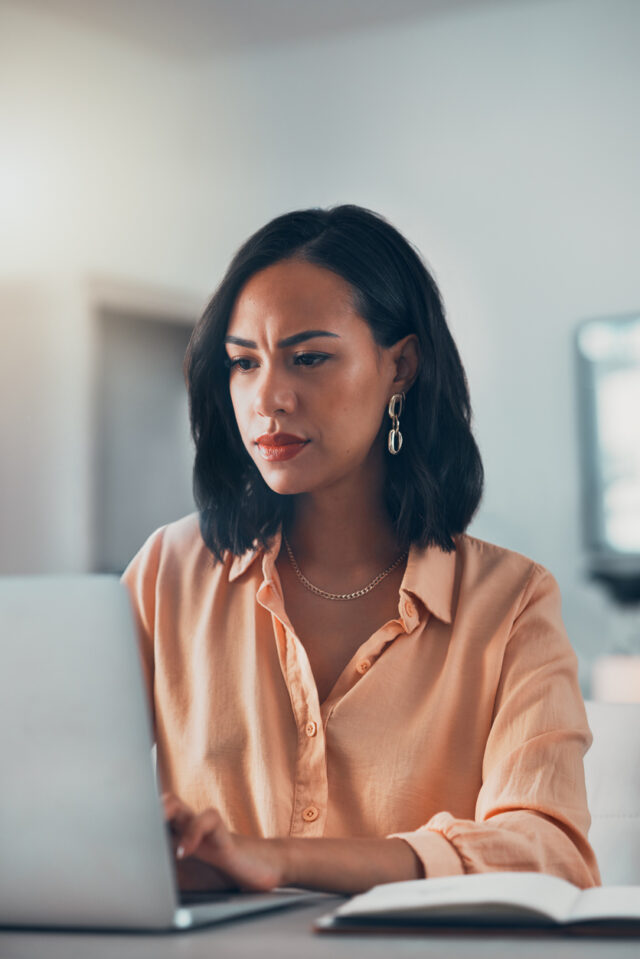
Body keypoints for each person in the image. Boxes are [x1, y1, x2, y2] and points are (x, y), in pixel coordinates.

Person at [122, 204, 600, 895]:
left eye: (309, 358)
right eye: (243, 363)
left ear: (400, 365)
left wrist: (275, 859)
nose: (268, 399)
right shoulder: (169, 572)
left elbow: (552, 852)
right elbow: (58, 793)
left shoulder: (512, 601)